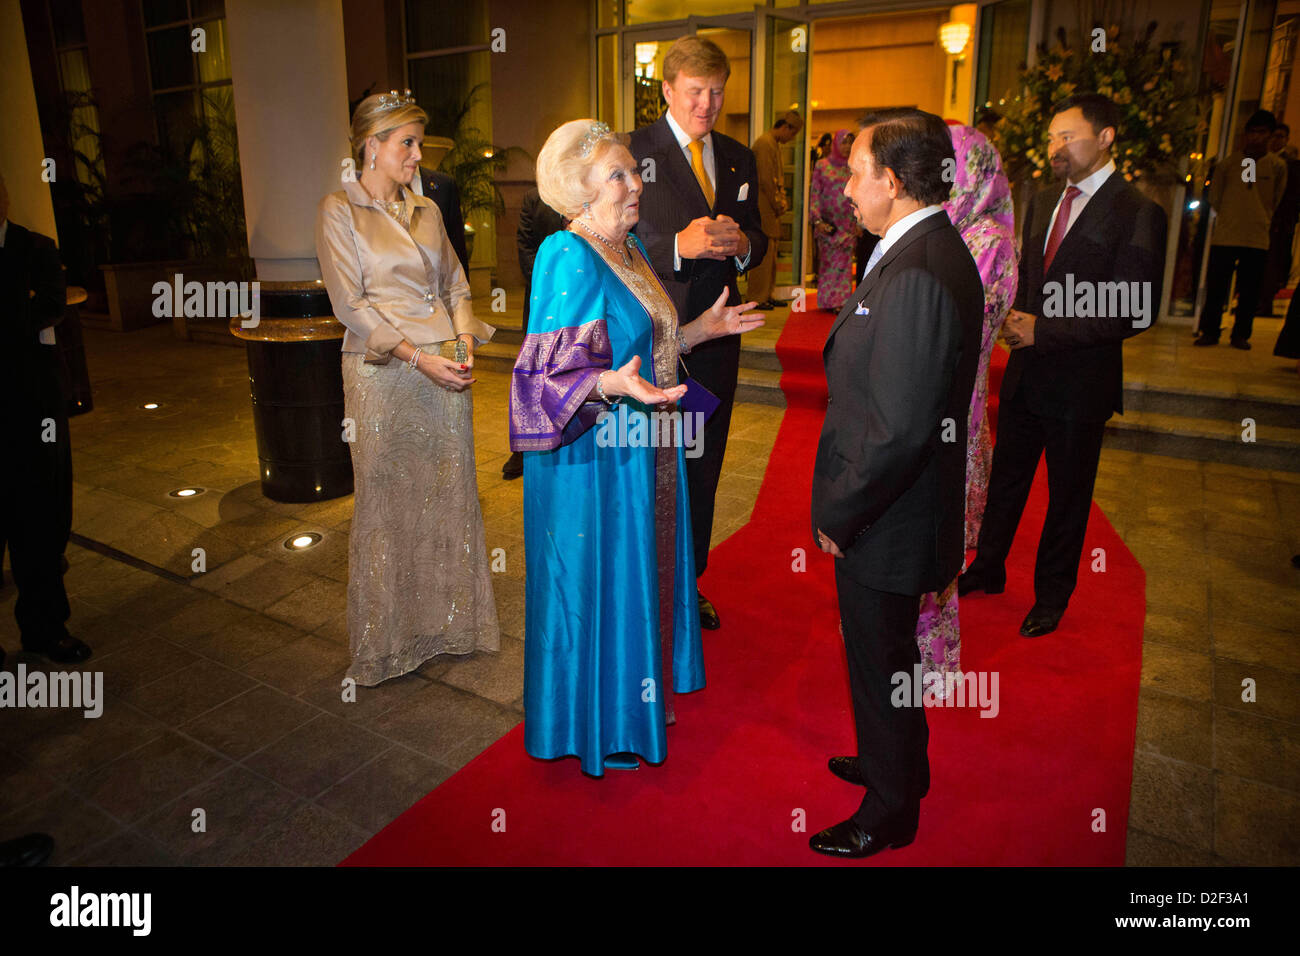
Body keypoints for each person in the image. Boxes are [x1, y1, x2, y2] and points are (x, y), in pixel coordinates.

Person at [509, 119, 762, 775]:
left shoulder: (630, 250)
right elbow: (542, 385)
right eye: (619, 174)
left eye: (633, 171)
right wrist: (606, 382)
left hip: (645, 442)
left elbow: (650, 343)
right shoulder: (566, 255)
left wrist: (702, 329)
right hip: (596, 461)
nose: (636, 184)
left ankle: (636, 695)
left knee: (644, 569)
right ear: (578, 189)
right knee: (602, 580)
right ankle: (599, 715)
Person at [809, 108, 983, 859]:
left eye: (855, 172)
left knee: (879, 661)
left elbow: (900, 429)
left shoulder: (918, 269)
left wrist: (840, 513)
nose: (845, 188)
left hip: (889, 515)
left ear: (892, 180)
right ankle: (900, 765)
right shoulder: (921, 247)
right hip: (903, 510)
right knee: (892, 658)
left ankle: (889, 810)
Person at [960, 92, 1168, 638]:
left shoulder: (1138, 211)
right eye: (1052, 136)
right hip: (1028, 372)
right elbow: (1032, 280)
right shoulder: (1044, 198)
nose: (1055, 147)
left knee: (1067, 499)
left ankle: (1052, 596)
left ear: (1105, 138)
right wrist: (1013, 317)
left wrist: (1043, 329)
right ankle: (987, 567)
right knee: (1007, 481)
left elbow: (1135, 308)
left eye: (1067, 136)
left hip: (1082, 382)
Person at [315, 91, 500, 685]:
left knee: (446, 496)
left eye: (418, 143)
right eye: (408, 143)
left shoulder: (429, 210)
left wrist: (465, 339)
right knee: (389, 502)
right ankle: (388, 641)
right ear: (372, 145)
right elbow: (351, 305)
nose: (418, 155)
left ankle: (450, 623)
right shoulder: (338, 210)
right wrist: (419, 357)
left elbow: (457, 285)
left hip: (446, 366)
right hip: (384, 373)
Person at [628, 35, 766, 632]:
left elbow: (760, 236)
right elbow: (608, 240)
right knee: (652, 465)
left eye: (716, 93)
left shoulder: (738, 156)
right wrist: (677, 247)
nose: (707, 105)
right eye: (694, 92)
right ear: (666, 89)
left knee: (702, 462)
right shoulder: (633, 151)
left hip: (717, 340)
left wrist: (744, 247)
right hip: (654, 335)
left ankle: (689, 583)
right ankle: (642, 583)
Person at [913, 125, 1019, 693]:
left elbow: (954, 332)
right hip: (931, 402)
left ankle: (930, 665)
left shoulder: (989, 241)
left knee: (936, 540)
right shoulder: (950, 228)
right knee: (917, 537)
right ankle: (908, 650)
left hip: (952, 407)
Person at [0, 173, 88, 666]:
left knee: (38, 523)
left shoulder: (33, 247)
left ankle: (45, 627)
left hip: (30, 409)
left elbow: (51, 305)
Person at [1196, 109, 1287, 349]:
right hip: (1227, 233)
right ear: (1246, 135)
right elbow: (1215, 197)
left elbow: (1277, 198)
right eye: (1253, 132)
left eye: (1262, 133)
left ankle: (1241, 334)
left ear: (1269, 135)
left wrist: (1262, 217)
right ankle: (1210, 331)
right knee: (1217, 286)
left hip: (1257, 236)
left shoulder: (1277, 166)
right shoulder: (1228, 165)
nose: (1257, 138)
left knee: (1250, 289)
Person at [502, 187, 566, 481]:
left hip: (586, 298)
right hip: (542, 299)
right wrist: (547, 286)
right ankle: (525, 447)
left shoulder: (594, 191)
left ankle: (564, 438)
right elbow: (525, 246)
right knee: (533, 370)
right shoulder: (534, 198)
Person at [750, 110, 803, 309]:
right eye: (793, 133)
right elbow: (765, 180)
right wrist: (777, 202)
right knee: (763, 253)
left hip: (770, 208)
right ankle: (757, 296)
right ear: (786, 127)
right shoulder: (765, 144)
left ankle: (767, 293)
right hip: (763, 207)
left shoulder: (773, 144)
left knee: (771, 253)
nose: (792, 138)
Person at [808, 129, 858, 313]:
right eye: (843, 142)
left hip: (847, 224)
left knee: (844, 265)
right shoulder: (822, 165)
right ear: (836, 144)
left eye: (850, 143)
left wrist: (859, 220)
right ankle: (828, 300)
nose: (847, 147)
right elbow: (815, 193)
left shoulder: (852, 168)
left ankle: (841, 301)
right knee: (829, 264)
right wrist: (817, 219)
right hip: (828, 224)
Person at [1261, 122, 1300, 312]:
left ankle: (1266, 300)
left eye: (1281, 137)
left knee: (1275, 260)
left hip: (1281, 220)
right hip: (1260, 219)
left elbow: (1291, 194)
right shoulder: (1255, 161)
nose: (1277, 140)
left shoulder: (1291, 164)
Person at [415, 165, 470, 275]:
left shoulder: (444, 184)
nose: (417, 154)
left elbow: (456, 246)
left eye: (418, 146)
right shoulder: (372, 189)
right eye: (408, 146)